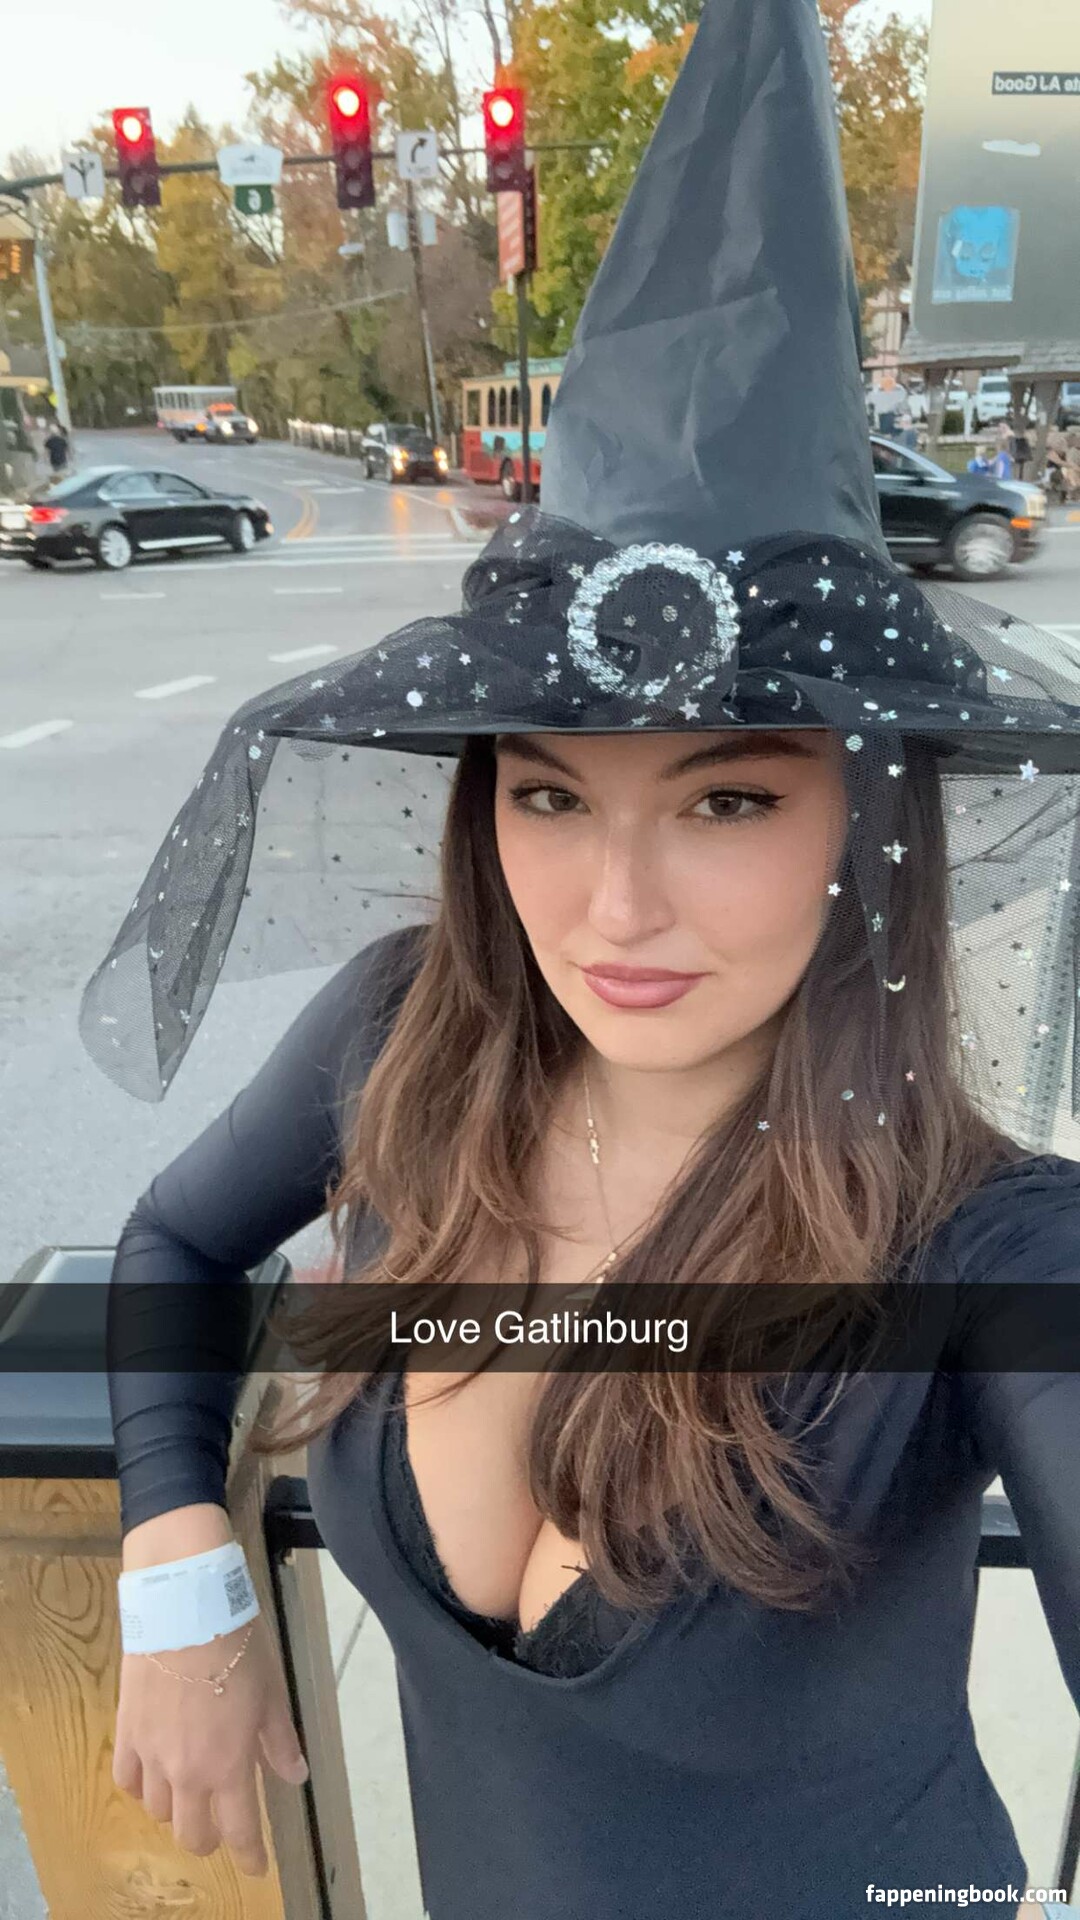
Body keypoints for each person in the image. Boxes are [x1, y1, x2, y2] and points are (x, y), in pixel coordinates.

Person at [83, 3, 1080, 1916]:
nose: (613, 911)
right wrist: (177, 1566)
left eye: (727, 801)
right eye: (550, 795)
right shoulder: (415, 1034)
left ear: (868, 820)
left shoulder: (983, 1244)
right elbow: (176, 1242)